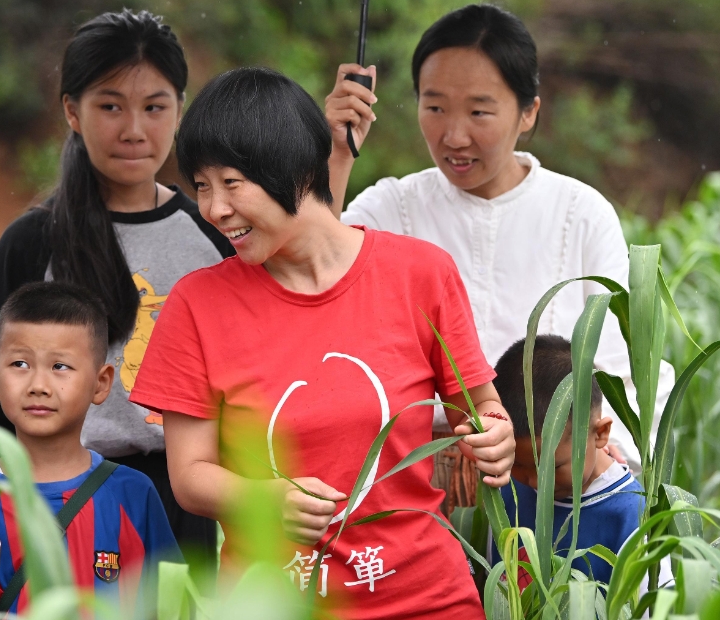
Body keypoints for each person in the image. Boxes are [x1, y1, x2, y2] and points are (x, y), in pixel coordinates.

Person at [129, 67, 515, 619]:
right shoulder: (196, 304)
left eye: (232, 183)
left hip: (428, 599)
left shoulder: (420, 274)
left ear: (297, 169)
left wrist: (495, 436)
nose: (214, 209)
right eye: (202, 187)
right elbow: (190, 475)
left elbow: (478, 410)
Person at [325, 3, 673, 474]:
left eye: (479, 111)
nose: (454, 135)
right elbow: (315, 268)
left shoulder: (580, 214)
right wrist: (336, 153)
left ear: (528, 112)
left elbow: (621, 373)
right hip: (419, 484)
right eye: (435, 107)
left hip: (551, 491)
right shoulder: (392, 209)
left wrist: (596, 466)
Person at [0, 9, 232, 576]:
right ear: (71, 112)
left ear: (180, 109)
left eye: (155, 107)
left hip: (181, 503)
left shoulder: (213, 234)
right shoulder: (33, 242)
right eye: (110, 106)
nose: (134, 128)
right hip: (51, 504)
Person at [0, 282, 182, 615]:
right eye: (19, 364)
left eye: (60, 367)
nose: (39, 386)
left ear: (100, 383)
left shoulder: (132, 495)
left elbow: (172, 605)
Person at [492, 335, 643, 584]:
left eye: (553, 468)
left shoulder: (630, 515)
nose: (535, 483)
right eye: (517, 464)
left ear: (600, 433)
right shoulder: (507, 491)